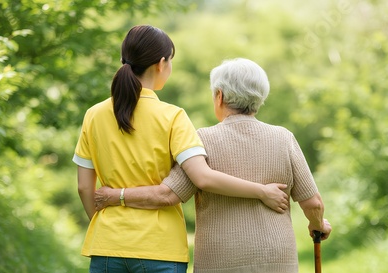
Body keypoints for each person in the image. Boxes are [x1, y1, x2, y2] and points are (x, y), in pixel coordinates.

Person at [73, 26, 288, 273]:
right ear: (161, 63)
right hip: (159, 248)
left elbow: (84, 187)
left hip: (106, 246)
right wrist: (261, 192)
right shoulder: (172, 117)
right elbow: (203, 178)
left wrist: (107, 227)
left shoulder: (94, 115)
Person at [95, 58, 332, 273]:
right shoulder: (284, 138)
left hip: (218, 262)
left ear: (219, 96)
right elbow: (313, 202)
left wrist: (113, 196)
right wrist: (317, 224)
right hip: (277, 260)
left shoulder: (202, 141)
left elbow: (167, 195)